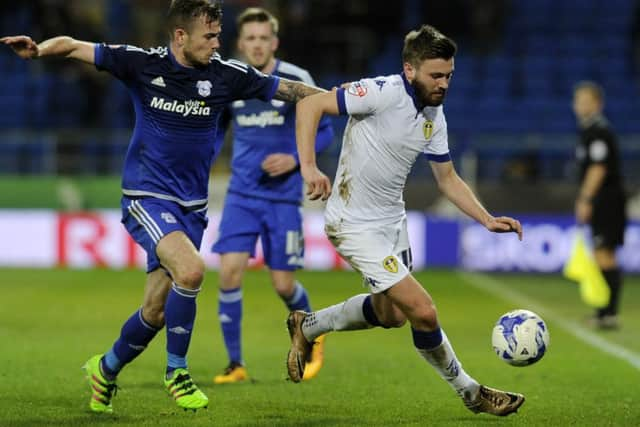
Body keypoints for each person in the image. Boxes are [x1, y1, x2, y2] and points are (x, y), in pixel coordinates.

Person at [1, 0, 325, 414]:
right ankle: (177, 371)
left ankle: (105, 367)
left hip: (192, 208)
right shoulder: (141, 64)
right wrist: (39, 50)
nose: (217, 43)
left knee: (155, 311)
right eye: (209, 36)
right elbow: (73, 46)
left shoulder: (227, 74)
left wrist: (349, 100)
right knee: (191, 270)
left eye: (218, 35)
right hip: (146, 197)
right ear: (180, 37)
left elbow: (293, 91)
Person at [286, 24, 526, 417]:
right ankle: (471, 392)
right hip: (352, 222)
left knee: (391, 315)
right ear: (410, 70)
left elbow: (447, 178)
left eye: (449, 75)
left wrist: (485, 218)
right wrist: (309, 168)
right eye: (436, 75)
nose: (444, 83)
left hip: (392, 222)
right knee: (423, 311)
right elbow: (309, 105)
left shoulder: (434, 115)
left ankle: (307, 325)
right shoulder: (381, 91)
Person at [211, 7, 333, 384]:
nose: (257, 45)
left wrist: (296, 160)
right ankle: (236, 364)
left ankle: (313, 333)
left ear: (274, 42)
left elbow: (326, 128)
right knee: (229, 274)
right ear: (240, 43)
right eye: (250, 38)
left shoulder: (295, 79)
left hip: (282, 200)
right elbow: (217, 130)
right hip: (241, 196)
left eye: (264, 38)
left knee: (283, 284)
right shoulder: (231, 79)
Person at [572, 81, 627, 329]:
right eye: (578, 101)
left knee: (604, 253)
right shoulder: (589, 130)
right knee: (601, 253)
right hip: (604, 199)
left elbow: (598, 167)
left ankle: (609, 313)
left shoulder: (598, 131)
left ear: (598, 104)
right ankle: (604, 312)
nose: (580, 106)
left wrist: (585, 199)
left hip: (607, 200)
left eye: (585, 101)